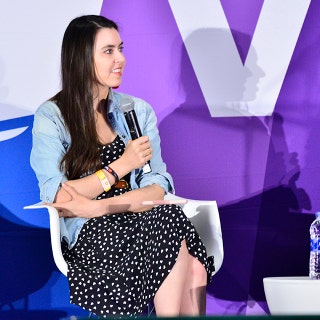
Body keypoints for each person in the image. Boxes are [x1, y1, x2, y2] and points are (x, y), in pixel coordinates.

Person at [30, 15, 214, 317]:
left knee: (180, 239)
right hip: (93, 235)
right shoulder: (52, 116)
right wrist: (120, 166)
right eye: (108, 51)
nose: (121, 59)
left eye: (121, 49)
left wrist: (97, 205)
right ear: (81, 59)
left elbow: (158, 186)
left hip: (135, 217)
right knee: (186, 254)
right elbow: (58, 196)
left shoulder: (137, 111)